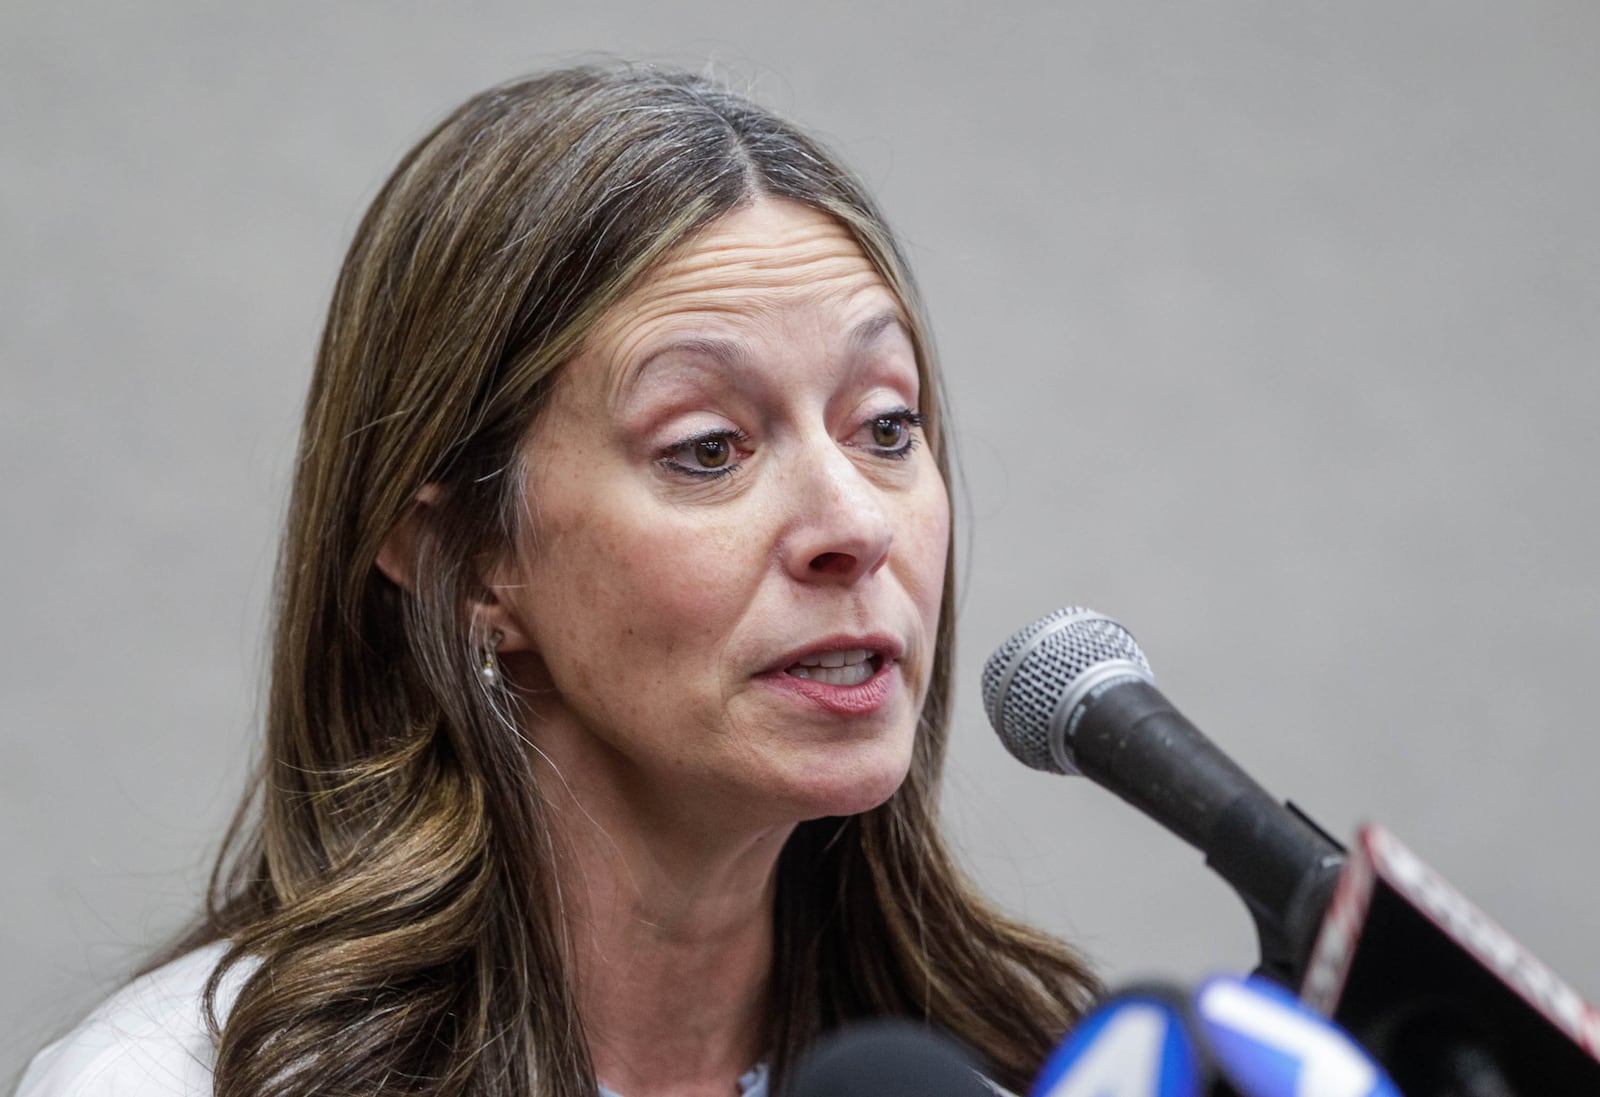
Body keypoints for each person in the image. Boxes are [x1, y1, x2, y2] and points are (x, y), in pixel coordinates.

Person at [17, 64, 1099, 1097]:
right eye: (709, 446)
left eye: (886, 426)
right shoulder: (179, 1080)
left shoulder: (1017, 1066)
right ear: (464, 558)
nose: (856, 524)